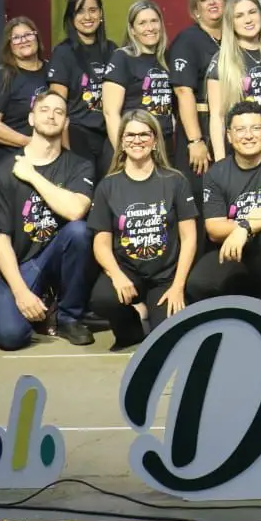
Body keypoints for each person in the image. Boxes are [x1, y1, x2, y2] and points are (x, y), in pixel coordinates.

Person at [0, 89, 96, 350]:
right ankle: (40, 309)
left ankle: (68, 317)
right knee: (10, 337)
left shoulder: (80, 165)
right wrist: (20, 292)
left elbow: (75, 211)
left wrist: (33, 175)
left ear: (66, 122)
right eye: (44, 110)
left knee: (79, 231)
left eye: (59, 112)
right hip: (22, 266)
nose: (51, 116)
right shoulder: (2, 171)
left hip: (58, 258)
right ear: (31, 118)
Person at [87, 110, 197, 350]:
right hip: (128, 272)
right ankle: (131, 329)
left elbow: (189, 238)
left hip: (165, 277)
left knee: (167, 343)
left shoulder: (175, 181)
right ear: (122, 141)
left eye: (144, 134)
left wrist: (178, 286)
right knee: (104, 299)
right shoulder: (108, 186)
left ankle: (155, 314)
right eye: (130, 135)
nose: (137, 140)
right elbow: (101, 244)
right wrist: (116, 276)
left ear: (155, 140)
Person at [187, 100, 261, 310]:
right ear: (229, 136)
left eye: (256, 128)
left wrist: (245, 227)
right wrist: (253, 222)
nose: (248, 136)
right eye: (240, 130)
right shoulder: (216, 173)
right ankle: (241, 308)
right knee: (199, 284)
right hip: (232, 250)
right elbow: (214, 228)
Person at [205, 0, 261, 155]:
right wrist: (221, 162)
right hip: (240, 151)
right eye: (239, 16)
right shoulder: (222, 60)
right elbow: (217, 117)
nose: (248, 19)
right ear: (231, 22)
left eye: (252, 12)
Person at [46, 0, 116, 179]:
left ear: (101, 14)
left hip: (108, 134)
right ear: (71, 17)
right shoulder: (63, 53)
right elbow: (57, 105)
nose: (87, 17)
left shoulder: (112, 50)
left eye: (93, 10)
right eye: (80, 11)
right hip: (77, 132)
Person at [102, 0, 175, 169]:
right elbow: (110, 113)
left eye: (154, 21)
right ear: (132, 30)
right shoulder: (122, 58)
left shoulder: (168, 58)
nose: (150, 28)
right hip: (132, 148)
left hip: (161, 147)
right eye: (142, 23)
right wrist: (123, 154)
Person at [170, 0, 228, 191]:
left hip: (232, 125)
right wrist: (195, 141)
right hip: (201, 125)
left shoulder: (233, 38)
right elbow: (182, 91)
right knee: (202, 192)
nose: (212, 2)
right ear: (196, 10)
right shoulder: (187, 40)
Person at [0, 17, 49, 157]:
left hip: (50, 153)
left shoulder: (52, 70)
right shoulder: (3, 76)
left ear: (36, 37)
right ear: (9, 45)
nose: (23, 40)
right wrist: (30, 142)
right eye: (16, 38)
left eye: (28, 35)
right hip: (12, 156)